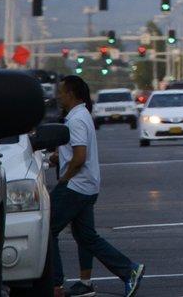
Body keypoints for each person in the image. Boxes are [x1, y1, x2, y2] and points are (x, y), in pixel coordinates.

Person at [47, 75, 146, 297]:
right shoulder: (81, 116)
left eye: (62, 92)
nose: (59, 96)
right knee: (87, 237)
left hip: (75, 185)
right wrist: (59, 157)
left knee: (47, 229)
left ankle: (55, 284)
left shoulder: (77, 119)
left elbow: (80, 156)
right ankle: (129, 271)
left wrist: (65, 178)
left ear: (71, 94)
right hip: (86, 187)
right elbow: (75, 150)